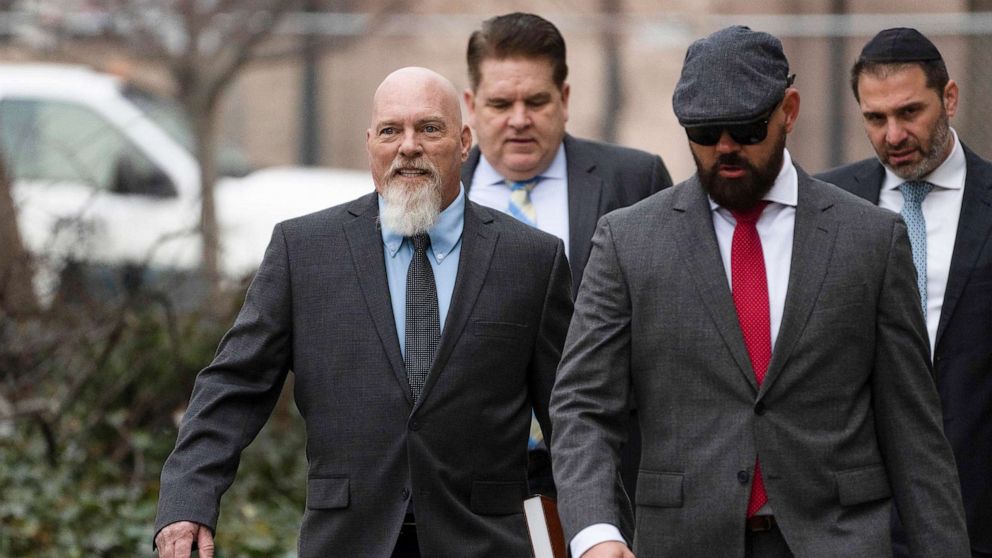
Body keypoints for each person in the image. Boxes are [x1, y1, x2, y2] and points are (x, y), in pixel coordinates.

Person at [550, 25, 969, 558]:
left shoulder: (870, 239)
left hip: (837, 540)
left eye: (747, 130)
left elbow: (914, 432)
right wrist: (595, 534)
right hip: (683, 541)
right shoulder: (628, 240)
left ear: (788, 111)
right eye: (704, 133)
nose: (725, 148)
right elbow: (583, 405)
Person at [153, 67, 573, 558]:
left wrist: (597, 529)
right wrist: (187, 502)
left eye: (429, 128)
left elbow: (572, 415)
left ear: (463, 142)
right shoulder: (304, 251)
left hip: (483, 540)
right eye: (391, 130)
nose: (408, 146)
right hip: (347, 540)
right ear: (370, 143)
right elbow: (234, 386)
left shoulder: (532, 259)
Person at [462, 11, 672, 499]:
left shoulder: (634, 182)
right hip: (473, 485)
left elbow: (669, 331)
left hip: (610, 469)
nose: (519, 119)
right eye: (500, 103)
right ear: (471, 106)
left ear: (566, 99)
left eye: (536, 100)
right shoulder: (438, 196)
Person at [817, 27, 992, 558]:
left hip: (977, 512)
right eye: (875, 118)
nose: (893, 134)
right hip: (853, 520)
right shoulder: (824, 207)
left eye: (910, 112)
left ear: (950, 99)